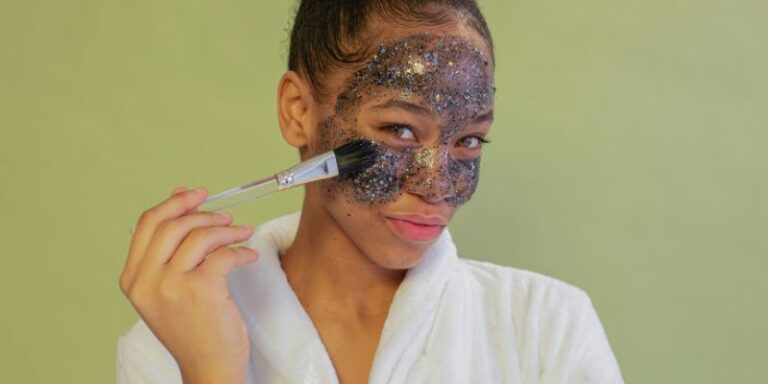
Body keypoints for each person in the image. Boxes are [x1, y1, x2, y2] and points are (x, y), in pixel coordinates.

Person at [117, 1, 625, 383]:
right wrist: (211, 369)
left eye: (468, 140)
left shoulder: (547, 327)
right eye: (400, 130)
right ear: (298, 111)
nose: (437, 185)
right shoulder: (173, 341)